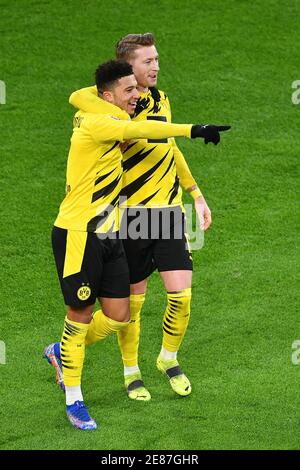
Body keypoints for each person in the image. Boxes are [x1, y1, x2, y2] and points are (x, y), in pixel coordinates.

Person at [45, 59, 230, 428]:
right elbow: (141, 127)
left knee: (119, 315)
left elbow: (87, 98)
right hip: (79, 234)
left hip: (112, 232)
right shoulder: (98, 122)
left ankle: (58, 352)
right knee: (79, 315)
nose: (136, 94)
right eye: (128, 90)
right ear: (108, 94)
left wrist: (192, 191)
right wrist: (193, 129)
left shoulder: (102, 109)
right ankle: (75, 399)